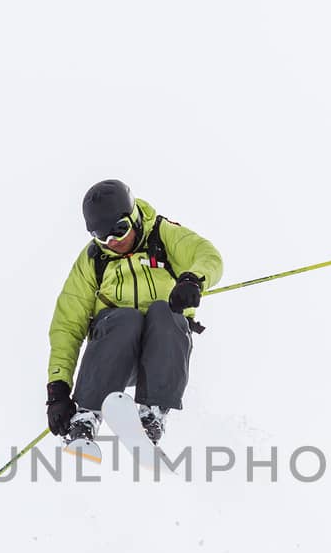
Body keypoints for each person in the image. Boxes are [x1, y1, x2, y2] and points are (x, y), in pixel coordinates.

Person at [46, 179, 223, 447]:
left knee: (164, 311)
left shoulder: (163, 234)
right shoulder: (94, 259)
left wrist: (193, 280)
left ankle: (152, 413)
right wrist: (58, 388)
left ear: (134, 217)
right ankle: (86, 417)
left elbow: (207, 255)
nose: (112, 241)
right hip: (114, 353)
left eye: (119, 230)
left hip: (163, 351)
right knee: (124, 318)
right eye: (101, 235)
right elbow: (67, 325)